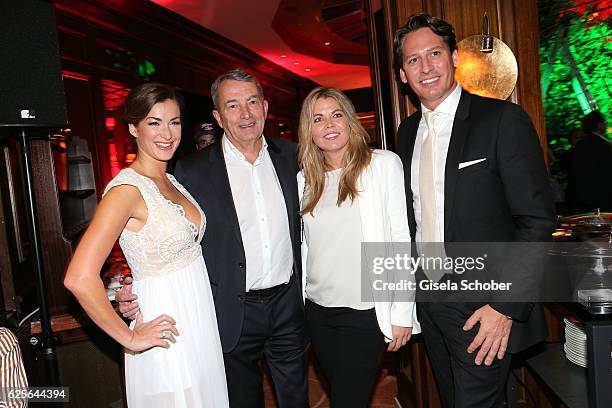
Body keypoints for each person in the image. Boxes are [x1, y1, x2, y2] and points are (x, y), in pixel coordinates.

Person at [117, 69, 308, 407]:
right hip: (230, 311)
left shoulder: (295, 157)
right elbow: (168, 235)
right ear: (218, 117)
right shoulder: (189, 173)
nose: (245, 114)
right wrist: (131, 283)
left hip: (287, 306)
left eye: (252, 102)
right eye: (232, 106)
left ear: (265, 107)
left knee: (297, 399)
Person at [394, 13, 554, 407]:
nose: (426, 66)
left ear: (453, 59)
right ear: (402, 75)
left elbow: (536, 221)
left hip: (483, 304)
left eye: (434, 53)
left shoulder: (501, 119)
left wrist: (504, 307)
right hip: (430, 298)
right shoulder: (407, 133)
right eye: (413, 60)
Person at [64, 83, 229, 407]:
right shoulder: (126, 190)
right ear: (132, 127)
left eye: (174, 121)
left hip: (197, 323)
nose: (167, 133)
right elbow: (79, 277)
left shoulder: (170, 179)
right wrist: (130, 337)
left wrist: (124, 285)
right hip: (165, 330)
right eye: (154, 122)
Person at [297, 87, 420, 406]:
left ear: (350, 121)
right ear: (309, 131)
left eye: (337, 115)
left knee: (347, 400)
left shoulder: (382, 165)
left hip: (365, 309)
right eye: (318, 119)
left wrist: (402, 310)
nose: (329, 124)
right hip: (319, 310)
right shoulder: (304, 180)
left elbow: (399, 240)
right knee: (344, 392)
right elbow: (306, 246)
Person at [569, 110, 612, 212]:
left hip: (584, 199)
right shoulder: (603, 146)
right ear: (599, 125)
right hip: (604, 197)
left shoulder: (581, 145)